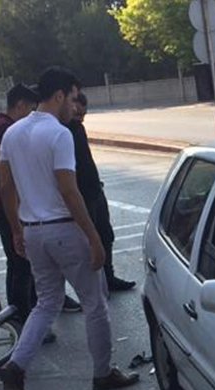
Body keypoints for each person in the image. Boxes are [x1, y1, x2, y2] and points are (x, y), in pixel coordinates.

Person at [0, 67, 139, 390]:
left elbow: (5, 185)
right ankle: (103, 373)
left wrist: (17, 228)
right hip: (64, 228)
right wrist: (93, 237)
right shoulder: (59, 135)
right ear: (59, 95)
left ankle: (16, 366)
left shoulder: (12, 134)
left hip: (33, 232)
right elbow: (69, 190)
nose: (75, 107)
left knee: (46, 303)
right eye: (73, 99)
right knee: (95, 302)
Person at [0, 85, 78, 332]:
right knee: (22, 266)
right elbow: (0, 173)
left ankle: (21, 316)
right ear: (21, 105)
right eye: (31, 109)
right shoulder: (7, 130)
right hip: (12, 209)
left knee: (17, 264)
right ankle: (22, 320)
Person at [67, 92, 135, 292]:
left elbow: (86, 162)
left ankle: (109, 276)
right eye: (78, 114)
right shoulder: (61, 132)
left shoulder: (78, 129)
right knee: (87, 242)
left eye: (84, 115)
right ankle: (93, 285)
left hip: (95, 190)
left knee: (106, 234)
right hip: (80, 196)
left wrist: (96, 185)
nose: (81, 118)